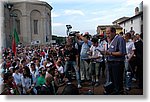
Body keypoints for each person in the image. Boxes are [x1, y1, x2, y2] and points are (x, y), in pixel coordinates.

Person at [104, 27, 126, 94]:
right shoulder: (110, 39)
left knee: (117, 80)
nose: (107, 35)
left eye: (108, 33)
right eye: (106, 33)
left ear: (114, 32)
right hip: (110, 62)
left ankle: (119, 92)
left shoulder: (120, 39)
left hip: (117, 63)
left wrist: (110, 53)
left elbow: (122, 52)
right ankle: (114, 91)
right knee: (112, 80)